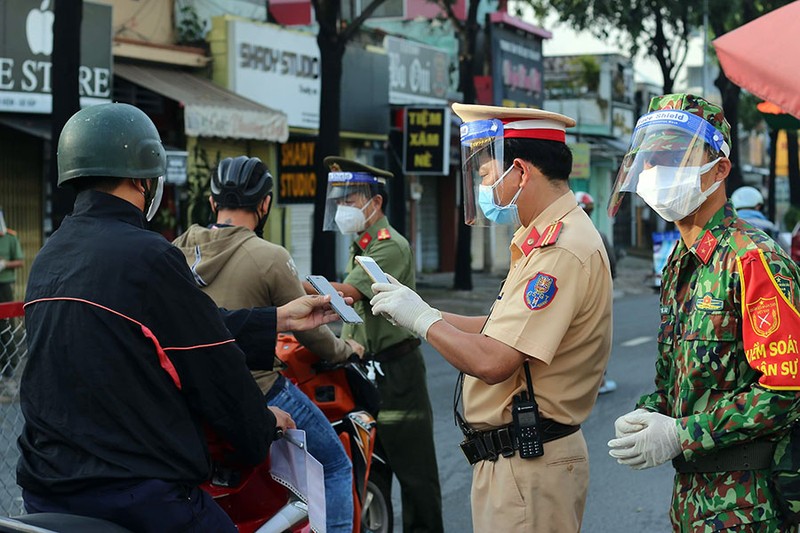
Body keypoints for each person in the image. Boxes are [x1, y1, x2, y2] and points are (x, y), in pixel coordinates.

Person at [18, 103, 346, 532]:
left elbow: (176, 328)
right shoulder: (147, 254)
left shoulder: (49, 256)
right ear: (142, 179)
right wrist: (261, 425)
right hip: (132, 493)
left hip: (45, 487)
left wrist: (277, 319)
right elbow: (212, 365)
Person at [369, 105, 613, 531]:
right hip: (516, 462)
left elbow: (494, 360)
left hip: (529, 464)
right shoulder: (541, 238)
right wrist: (418, 310)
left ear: (519, 171)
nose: (483, 188)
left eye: (485, 176)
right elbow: (500, 326)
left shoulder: (559, 250)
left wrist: (424, 321)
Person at [606, 93, 800, 530]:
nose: (656, 171)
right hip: (692, 499)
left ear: (720, 169)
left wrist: (682, 434)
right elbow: (686, 380)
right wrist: (651, 413)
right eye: (651, 159)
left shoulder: (751, 259)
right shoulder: (682, 259)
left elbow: (788, 389)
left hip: (750, 503)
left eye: (674, 156)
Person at [172, 155, 364, 533]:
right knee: (335, 465)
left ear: (212, 203)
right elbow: (308, 328)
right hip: (257, 391)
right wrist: (346, 350)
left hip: (190, 392)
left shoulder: (176, 249)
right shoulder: (270, 256)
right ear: (265, 204)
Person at [308, 156, 444, 533]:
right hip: (366, 371)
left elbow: (347, 295)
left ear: (375, 203)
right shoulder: (362, 245)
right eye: (339, 201)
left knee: (415, 475)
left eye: (349, 200)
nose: (342, 209)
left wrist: (282, 281)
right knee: (373, 466)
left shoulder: (389, 247)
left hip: (397, 373)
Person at [575, 191, 617, 394]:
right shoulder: (598, 236)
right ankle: (598, 381)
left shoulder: (558, 236)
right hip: (594, 297)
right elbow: (613, 266)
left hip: (570, 299)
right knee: (597, 336)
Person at [0, 209, 23, 378]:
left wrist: (4, 264)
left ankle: (11, 364)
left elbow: (20, 261)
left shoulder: (10, 238)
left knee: (6, 324)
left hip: (4, 285)